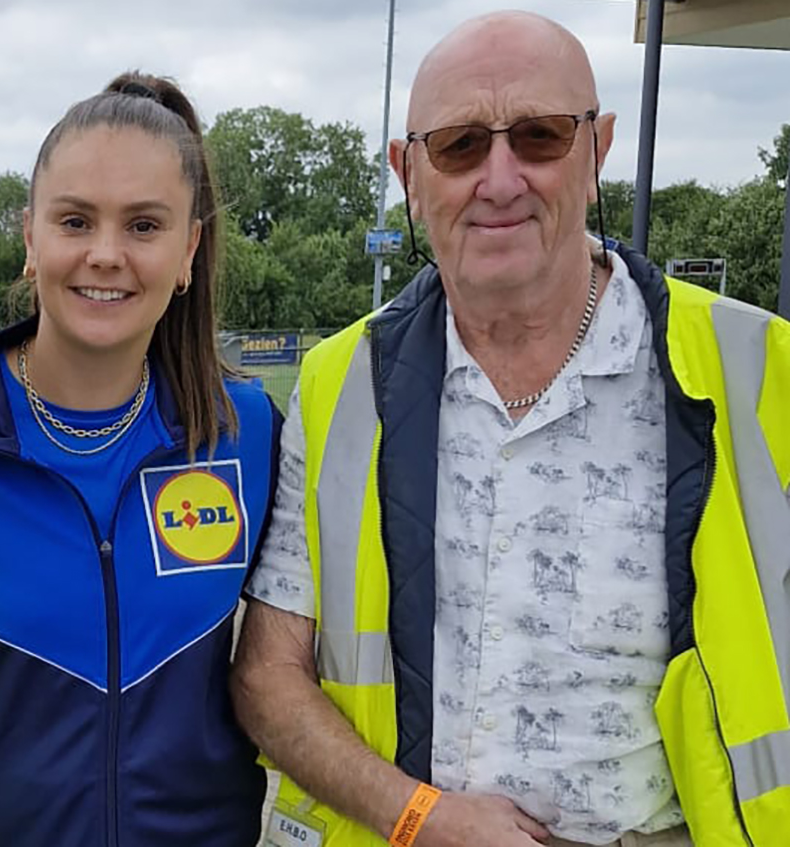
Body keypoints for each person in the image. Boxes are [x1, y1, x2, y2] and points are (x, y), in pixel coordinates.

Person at [231, 11, 789, 847]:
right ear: (408, 173)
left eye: (538, 137)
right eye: (459, 145)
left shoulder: (760, 368)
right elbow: (268, 675)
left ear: (597, 153)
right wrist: (419, 816)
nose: (500, 179)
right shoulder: (341, 382)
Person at [0, 72, 281, 846]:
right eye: (75, 220)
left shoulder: (247, 430)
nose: (105, 254)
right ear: (31, 238)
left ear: (189, 249)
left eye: (144, 226)